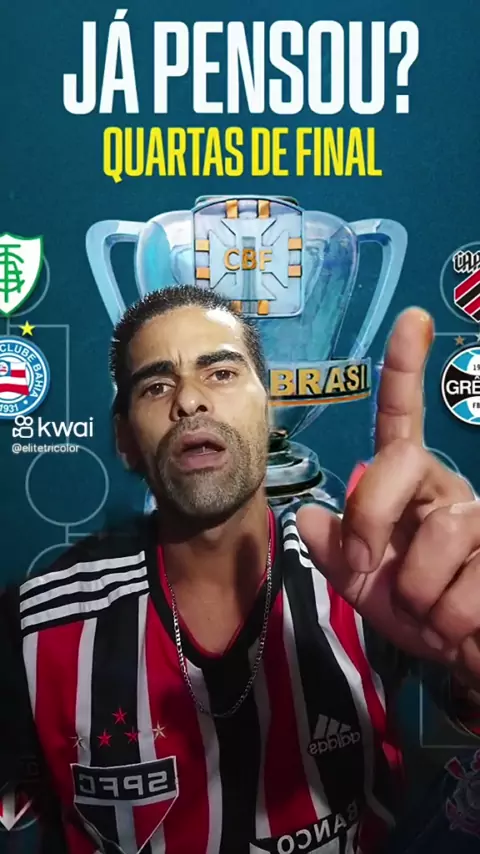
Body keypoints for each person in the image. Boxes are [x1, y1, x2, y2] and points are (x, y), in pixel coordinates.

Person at [1, 284, 480, 854]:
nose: (189, 400)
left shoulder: (364, 576)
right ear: (125, 439)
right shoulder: (39, 625)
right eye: (157, 386)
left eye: (222, 373)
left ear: (267, 410)